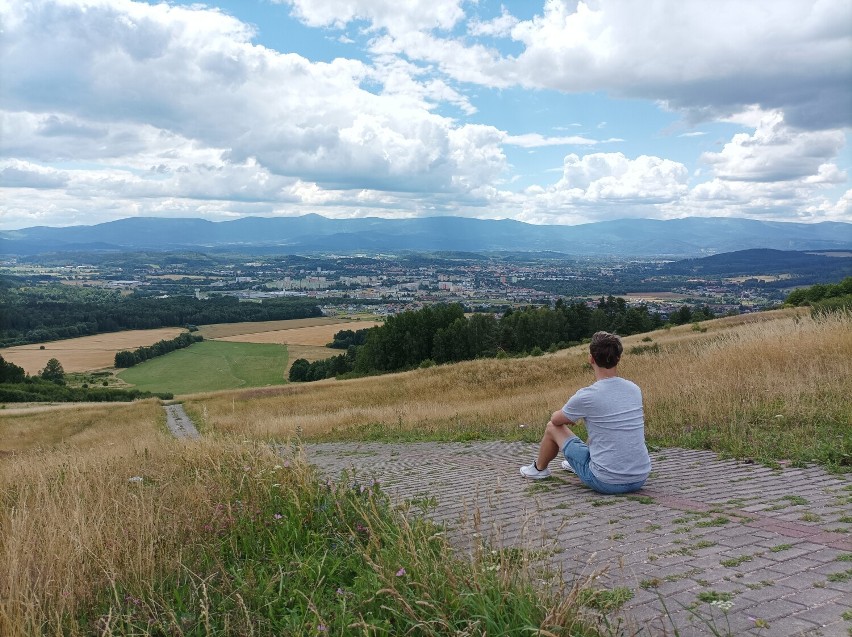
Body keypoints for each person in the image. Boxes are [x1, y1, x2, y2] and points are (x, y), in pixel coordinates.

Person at [520, 331, 651, 494]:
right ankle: (576, 463)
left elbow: (555, 420)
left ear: (591, 359)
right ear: (618, 358)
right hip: (640, 477)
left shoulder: (588, 395)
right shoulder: (634, 389)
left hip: (606, 481)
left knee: (552, 427)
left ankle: (539, 469)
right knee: (601, 425)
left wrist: (571, 416)